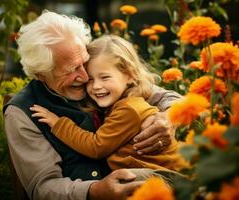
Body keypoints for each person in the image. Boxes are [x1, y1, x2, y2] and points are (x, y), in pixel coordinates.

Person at [3, 10, 182, 200]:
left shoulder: (103, 81)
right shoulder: (21, 113)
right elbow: (44, 187)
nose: (85, 76)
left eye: (84, 63)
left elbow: (169, 97)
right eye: (71, 70)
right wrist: (94, 191)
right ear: (41, 74)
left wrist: (169, 118)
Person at [30, 35, 187, 174]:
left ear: (130, 75)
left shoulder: (129, 109)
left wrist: (58, 124)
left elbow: (96, 147)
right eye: (90, 79)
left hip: (165, 177)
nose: (96, 86)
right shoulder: (121, 101)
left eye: (104, 77)